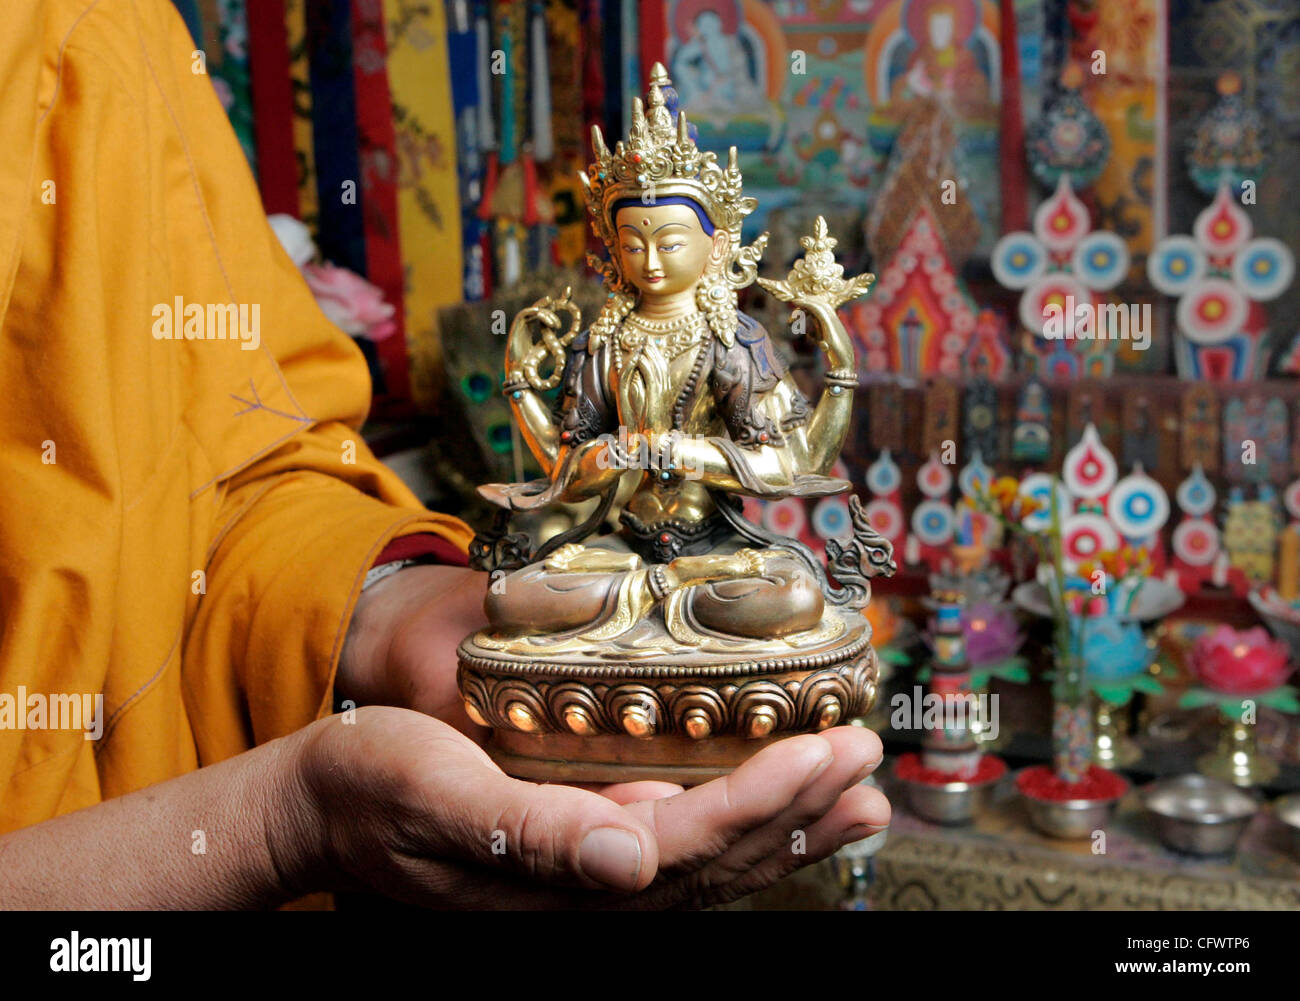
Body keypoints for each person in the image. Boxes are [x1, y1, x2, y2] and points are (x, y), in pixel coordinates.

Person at [0, 0, 888, 909]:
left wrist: (385, 608)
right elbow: (566, 470)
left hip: (708, 552)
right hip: (615, 567)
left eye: (673, 240)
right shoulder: (603, 342)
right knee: (521, 597)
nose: (653, 259)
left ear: (718, 244)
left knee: (788, 596)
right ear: (609, 250)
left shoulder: (730, 337)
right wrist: (276, 823)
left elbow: (232, 474)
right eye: (633, 239)